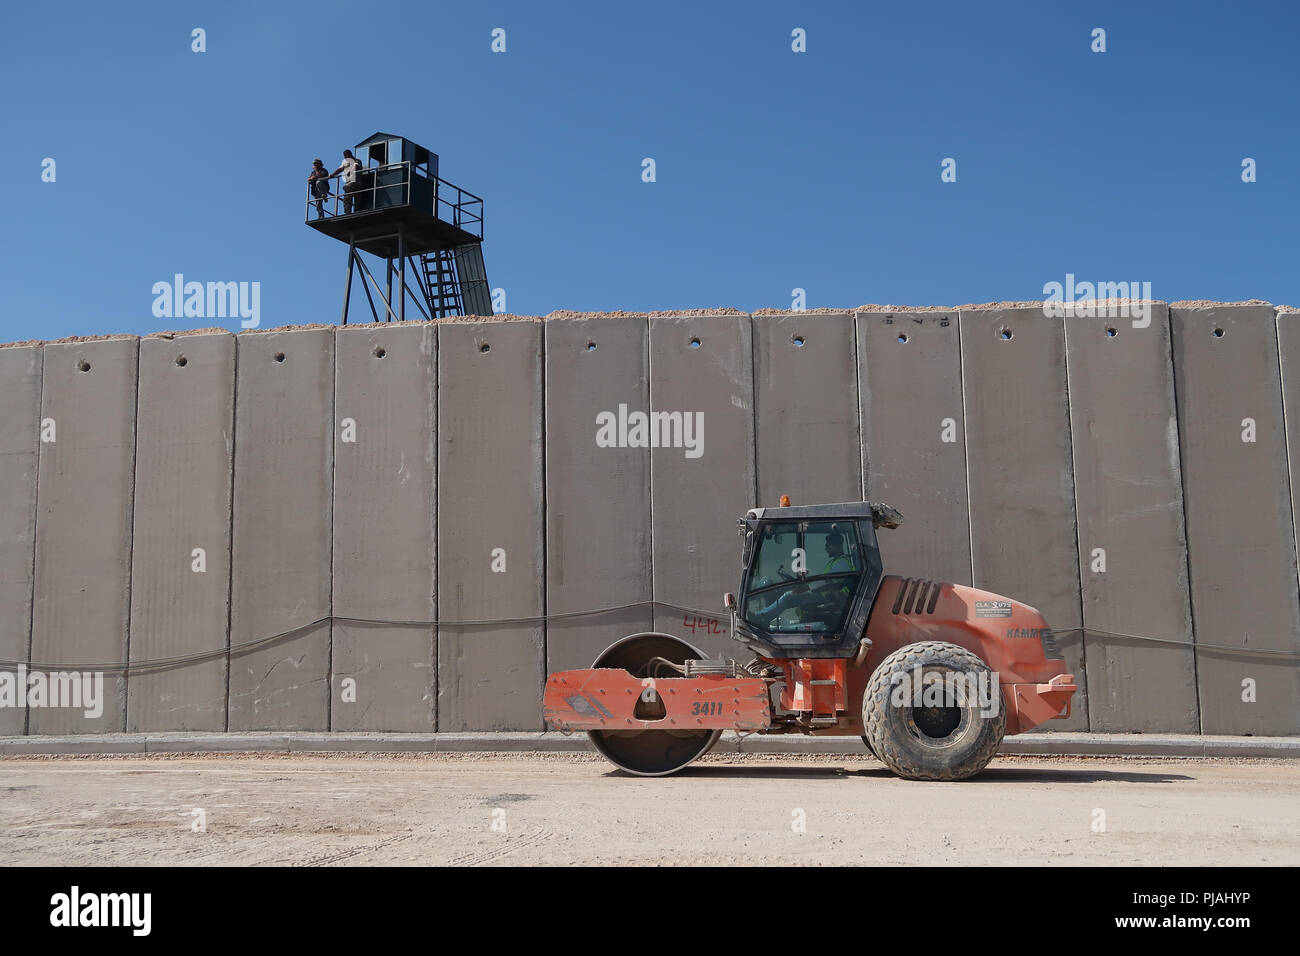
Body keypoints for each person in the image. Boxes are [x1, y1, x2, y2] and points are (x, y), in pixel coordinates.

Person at [333, 149, 363, 214]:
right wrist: (333, 174)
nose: (345, 158)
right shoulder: (345, 162)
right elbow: (340, 169)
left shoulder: (357, 161)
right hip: (349, 182)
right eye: (344, 156)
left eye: (346, 156)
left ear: (349, 154)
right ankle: (347, 212)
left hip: (356, 182)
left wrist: (351, 168)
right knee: (348, 197)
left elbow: (357, 167)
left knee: (355, 197)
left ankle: (356, 211)